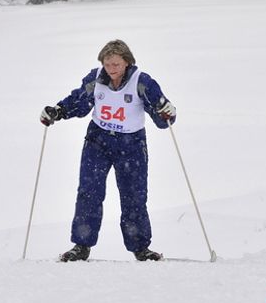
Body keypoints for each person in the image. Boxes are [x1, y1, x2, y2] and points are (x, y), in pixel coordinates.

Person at [40, 39, 176, 262]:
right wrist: (58, 111)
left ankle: (141, 248)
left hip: (131, 144)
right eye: (107, 64)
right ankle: (81, 246)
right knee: (89, 192)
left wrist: (167, 112)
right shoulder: (95, 79)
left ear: (127, 62)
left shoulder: (142, 82)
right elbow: (79, 102)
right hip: (98, 141)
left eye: (116, 64)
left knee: (134, 196)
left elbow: (162, 118)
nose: (111, 69)